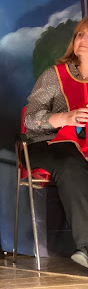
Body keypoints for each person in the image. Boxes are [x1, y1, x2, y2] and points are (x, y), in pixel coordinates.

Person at [24, 17, 88, 268]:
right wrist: (65, 118)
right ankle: (87, 247)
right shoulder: (55, 75)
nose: (83, 40)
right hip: (47, 144)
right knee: (71, 162)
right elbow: (30, 119)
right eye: (80, 35)